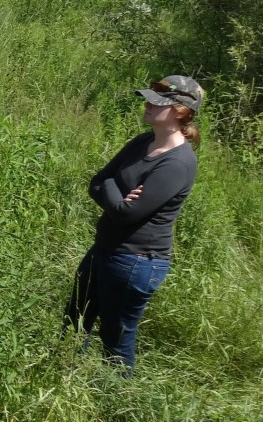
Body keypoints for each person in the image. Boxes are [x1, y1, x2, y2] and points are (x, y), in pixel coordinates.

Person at [64, 76, 203, 375]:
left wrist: (113, 189)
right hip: (104, 250)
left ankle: (116, 405)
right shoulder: (143, 142)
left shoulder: (177, 163)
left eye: (159, 103)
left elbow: (126, 214)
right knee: (74, 322)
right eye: (150, 98)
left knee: (115, 341)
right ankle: (65, 382)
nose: (148, 104)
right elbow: (98, 181)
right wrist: (117, 191)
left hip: (135, 261)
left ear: (181, 112)